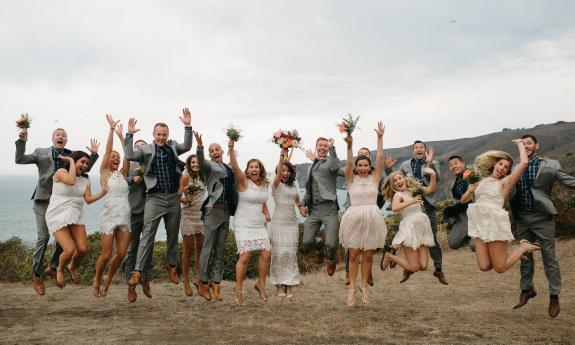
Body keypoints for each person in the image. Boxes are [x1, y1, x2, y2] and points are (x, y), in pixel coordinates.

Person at [15, 127, 99, 295]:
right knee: (44, 237)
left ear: (66, 139)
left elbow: (84, 169)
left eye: (64, 135)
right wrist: (22, 141)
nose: (61, 137)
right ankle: (37, 275)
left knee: (63, 241)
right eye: (58, 134)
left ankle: (53, 267)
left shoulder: (70, 154)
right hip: (44, 201)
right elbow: (20, 159)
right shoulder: (41, 152)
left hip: (63, 204)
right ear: (53, 138)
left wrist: (94, 156)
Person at [125, 109, 193, 295]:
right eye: (158, 135)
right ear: (153, 135)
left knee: (172, 236)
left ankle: (171, 266)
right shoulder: (145, 149)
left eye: (164, 134)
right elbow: (130, 155)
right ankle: (137, 272)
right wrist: (129, 134)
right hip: (154, 198)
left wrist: (187, 126)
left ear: (168, 135)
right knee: (147, 235)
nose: (162, 137)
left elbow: (187, 146)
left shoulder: (173, 147)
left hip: (173, 197)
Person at [510, 134, 575, 317]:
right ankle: (526, 290)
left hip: (543, 217)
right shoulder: (515, 167)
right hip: (522, 218)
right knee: (524, 256)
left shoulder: (551, 165)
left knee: (549, 257)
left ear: (536, 146)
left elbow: (569, 181)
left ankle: (554, 296)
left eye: (529, 143)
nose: (526, 145)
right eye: (523, 143)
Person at [461, 141, 541, 276]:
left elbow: (523, 164)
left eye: (506, 167)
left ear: (507, 171)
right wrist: (469, 191)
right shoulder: (480, 180)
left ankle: (523, 247)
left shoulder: (505, 183)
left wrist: (521, 144)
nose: (502, 168)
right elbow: (463, 200)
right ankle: (509, 253)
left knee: (500, 268)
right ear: (494, 164)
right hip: (479, 224)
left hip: (495, 223)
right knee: (484, 266)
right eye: (500, 164)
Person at [339, 122, 387, 306]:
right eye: (360, 165)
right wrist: (350, 145)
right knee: (353, 256)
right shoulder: (351, 180)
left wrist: (380, 138)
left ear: (369, 166)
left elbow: (380, 159)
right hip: (354, 219)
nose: (363, 168)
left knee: (367, 256)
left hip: (371, 219)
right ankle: (351, 290)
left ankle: (364, 288)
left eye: (366, 165)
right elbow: (349, 162)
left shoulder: (375, 179)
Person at [46, 151, 107, 288]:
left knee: (83, 249)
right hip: (58, 214)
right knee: (69, 250)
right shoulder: (61, 172)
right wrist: (71, 162)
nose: (85, 165)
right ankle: (59, 269)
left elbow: (88, 199)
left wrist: (103, 192)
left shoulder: (85, 179)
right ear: (73, 161)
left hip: (76, 214)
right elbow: (71, 180)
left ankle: (72, 266)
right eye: (82, 162)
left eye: (86, 163)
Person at [392, 140, 447, 285]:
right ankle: (408, 268)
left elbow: (438, 180)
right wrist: (388, 170)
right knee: (409, 236)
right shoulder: (405, 165)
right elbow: (397, 180)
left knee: (432, 238)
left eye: (421, 147)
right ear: (413, 151)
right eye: (416, 147)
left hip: (428, 203)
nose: (419, 149)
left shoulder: (433, 162)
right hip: (410, 206)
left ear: (425, 150)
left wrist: (429, 165)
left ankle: (438, 269)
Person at [193, 131, 238, 302]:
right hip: (213, 211)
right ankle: (202, 281)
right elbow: (201, 161)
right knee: (208, 248)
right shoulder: (209, 167)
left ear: (221, 151)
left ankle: (216, 282)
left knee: (220, 249)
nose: (214, 152)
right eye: (211, 151)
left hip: (226, 211)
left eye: (217, 149)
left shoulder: (227, 167)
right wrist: (200, 147)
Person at [228, 139, 272, 305]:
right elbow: (234, 167)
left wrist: (267, 214)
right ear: (247, 170)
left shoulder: (264, 184)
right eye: (251, 166)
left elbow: (262, 201)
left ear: (260, 170)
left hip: (258, 224)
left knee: (267, 253)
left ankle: (261, 284)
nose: (254, 169)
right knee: (245, 257)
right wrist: (231, 148)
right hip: (243, 223)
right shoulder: (243, 182)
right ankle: (238, 289)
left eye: (257, 166)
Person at [93, 115, 131, 297]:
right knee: (106, 254)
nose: (115, 158)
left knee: (121, 253)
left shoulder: (124, 172)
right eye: (113, 157)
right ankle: (97, 279)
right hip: (109, 216)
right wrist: (111, 130)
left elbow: (128, 156)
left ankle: (108, 277)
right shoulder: (105, 172)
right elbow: (107, 150)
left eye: (117, 157)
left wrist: (123, 138)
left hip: (124, 215)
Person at [380, 169, 437, 282]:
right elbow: (395, 208)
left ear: (404, 179)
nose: (398, 181)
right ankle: (389, 256)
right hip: (409, 229)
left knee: (424, 266)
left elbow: (431, 189)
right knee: (415, 267)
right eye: (395, 181)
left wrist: (433, 175)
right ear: (393, 185)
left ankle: (406, 262)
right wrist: (412, 201)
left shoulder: (414, 190)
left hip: (421, 227)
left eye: (399, 178)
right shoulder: (398, 194)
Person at [300, 137, 340, 276]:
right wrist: (302, 204)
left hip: (329, 208)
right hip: (315, 209)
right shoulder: (310, 166)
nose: (323, 147)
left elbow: (335, 166)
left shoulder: (330, 161)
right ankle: (319, 247)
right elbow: (308, 189)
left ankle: (332, 258)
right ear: (316, 146)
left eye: (325, 145)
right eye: (320, 145)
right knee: (307, 241)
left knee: (332, 243)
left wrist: (332, 149)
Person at [269, 149, 301, 298]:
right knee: (279, 254)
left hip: (292, 222)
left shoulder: (294, 184)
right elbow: (278, 174)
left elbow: (297, 199)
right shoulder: (275, 184)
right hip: (278, 222)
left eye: (288, 171)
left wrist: (301, 208)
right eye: (283, 171)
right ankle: (278, 284)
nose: (285, 173)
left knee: (290, 254)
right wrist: (281, 157)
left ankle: (289, 284)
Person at [125, 139, 153, 302]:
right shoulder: (128, 165)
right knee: (132, 249)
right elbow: (120, 181)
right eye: (137, 146)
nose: (140, 148)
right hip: (133, 211)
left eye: (143, 146)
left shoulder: (151, 163)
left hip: (150, 210)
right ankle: (131, 286)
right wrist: (132, 180)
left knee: (147, 247)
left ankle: (146, 281)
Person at [178, 154, 206, 296]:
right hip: (188, 216)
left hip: (201, 216)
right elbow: (177, 195)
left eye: (197, 162)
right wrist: (185, 200)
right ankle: (186, 282)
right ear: (189, 164)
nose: (195, 164)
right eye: (193, 162)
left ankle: (199, 280)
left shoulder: (204, 177)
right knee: (188, 250)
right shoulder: (185, 177)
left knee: (201, 250)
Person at [444, 156, 475, 251]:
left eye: (456, 163)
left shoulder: (474, 175)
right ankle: (466, 234)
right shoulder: (453, 184)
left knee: (474, 246)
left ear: (463, 163)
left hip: (477, 213)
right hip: (463, 216)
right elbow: (456, 202)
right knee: (453, 244)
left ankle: (476, 236)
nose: (453, 166)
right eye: (450, 165)